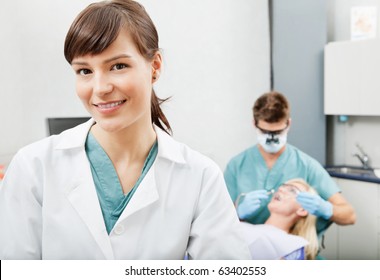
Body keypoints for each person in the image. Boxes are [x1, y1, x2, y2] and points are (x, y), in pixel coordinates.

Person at [0, 0, 251, 260]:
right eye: (84, 70)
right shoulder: (33, 167)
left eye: (118, 66)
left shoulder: (200, 177)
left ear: (154, 67)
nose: (100, 88)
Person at [224, 91, 356, 239]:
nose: (272, 138)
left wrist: (325, 209)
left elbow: (350, 215)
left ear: (288, 124)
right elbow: (218, 222)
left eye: (278, 132)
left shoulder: (307, 166)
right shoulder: (236, 166)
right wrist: (237, 213)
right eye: (266, 132)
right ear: (254, 124)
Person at [240, 178, 319, 260]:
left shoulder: (293, 247)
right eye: (283, 186)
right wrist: (237, 216)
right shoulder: (244, 227)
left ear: (302, 210)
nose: (280, 189)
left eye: (292, 191)